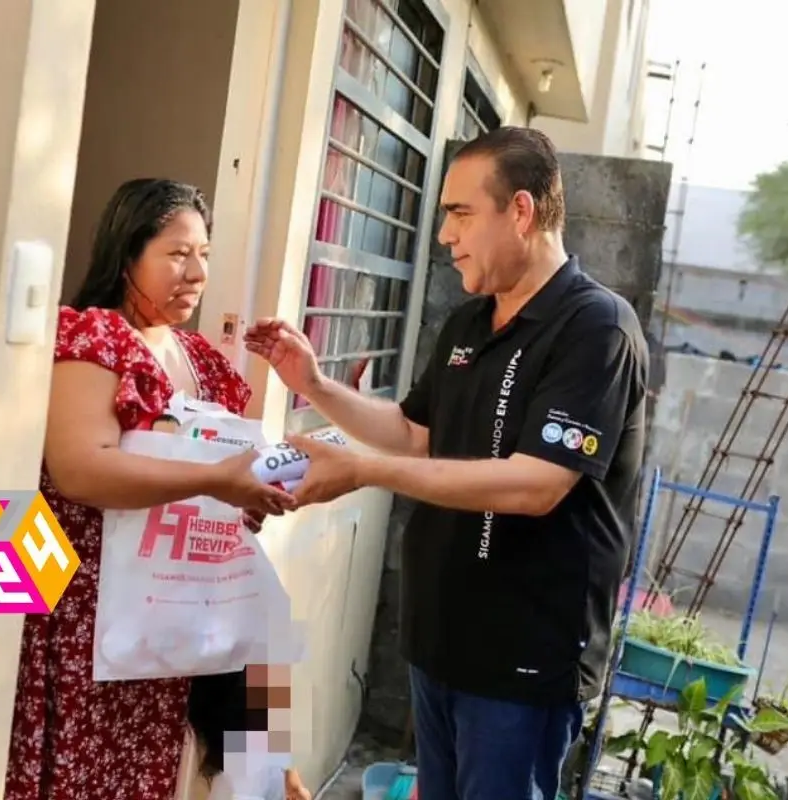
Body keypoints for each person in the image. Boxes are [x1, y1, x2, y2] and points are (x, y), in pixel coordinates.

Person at [244, 127, 648, 800]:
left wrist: (364, 473)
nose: (444, 235)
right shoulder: (468, 325)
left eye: (461, 213)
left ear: (520, 211)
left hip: (523, 661)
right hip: (441, 646)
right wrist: (312, 384)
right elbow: (411, 433)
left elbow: (538, 484)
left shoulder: (596, 329)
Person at [4, 177, 309, 800]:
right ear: (126, 253)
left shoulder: (203, 361)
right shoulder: (94, 339)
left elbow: (235, 474)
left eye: (203, 255)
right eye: (176, 254)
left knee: (144, 775)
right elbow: (80, 468)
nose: (195, 272)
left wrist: (260, 490)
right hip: (86, 617)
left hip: (165, 626)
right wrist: (218, 480)